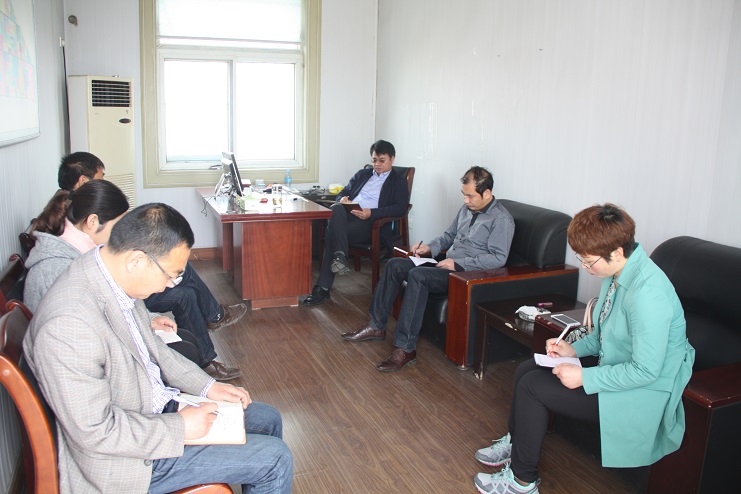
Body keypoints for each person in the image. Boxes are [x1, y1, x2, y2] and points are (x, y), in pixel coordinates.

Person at [23, 203, 293, 493]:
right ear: (137, 260)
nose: (170, 285)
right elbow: (95, 431)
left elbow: (155, 349)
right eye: (170, 274)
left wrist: (207, 386)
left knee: (267, 419)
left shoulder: (111, 276)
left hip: (150, 407)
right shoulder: (68, 324)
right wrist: (180, 427)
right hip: (126, 460)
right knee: (275, 459)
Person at [472, 204, 695, 494]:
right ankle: (517, 444)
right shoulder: (616, 273)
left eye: (589, 262)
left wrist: (584, 378)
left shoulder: (647, 295)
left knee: (533, 388)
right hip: (615, 365)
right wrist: (573, 350)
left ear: (617, 252)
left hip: (642, 390)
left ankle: (522, 482)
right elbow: (603, 334)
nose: (587, 269)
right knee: (528, 368)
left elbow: (646, 371)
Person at [58, 152, 246, 380]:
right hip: (119, 334)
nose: (120, 232)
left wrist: (148, 318)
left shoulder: (73, 219)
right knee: (182, 289)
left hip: (125, 309)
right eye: (101, 176)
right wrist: (148, 319)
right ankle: (213, 322)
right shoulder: (63, 266)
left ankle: (209, 338)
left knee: (183, 284)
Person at [342, 166, 515, 371]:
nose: (465, 200)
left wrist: (459, 264)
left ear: (487, 193)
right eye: (464, 195)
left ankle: (405, 348)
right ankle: (376, 326)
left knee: (419, 276)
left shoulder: (501, 219)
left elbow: (497, 258)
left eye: (470, 196)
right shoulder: (466, 210)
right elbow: (448, 236)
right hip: (446, 265)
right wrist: (429, 248)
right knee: (394, 264)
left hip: (466, 275)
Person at [23, 180, 201, 365]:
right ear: (92, 221)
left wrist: (150, 319)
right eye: (117, 225)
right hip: (83, 356)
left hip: (103, 340)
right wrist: (144, 328)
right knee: (185, 350)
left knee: (185, 340)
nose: (121, 232)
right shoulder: (54, 268)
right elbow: (81, 335)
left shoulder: (80, 250)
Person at [301, 140, 410, 306]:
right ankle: (340, 256)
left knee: (332, 232)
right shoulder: (363, 174)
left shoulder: (398, 181)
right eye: (374, 160)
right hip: (348, 216)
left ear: (392, 159)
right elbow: (343, 192)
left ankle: (323, 287)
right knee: (337, 207)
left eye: (382, 160)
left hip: (371, 224)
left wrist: (371, 213)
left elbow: (400, 208)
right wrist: (343, 199)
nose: (377, 164)